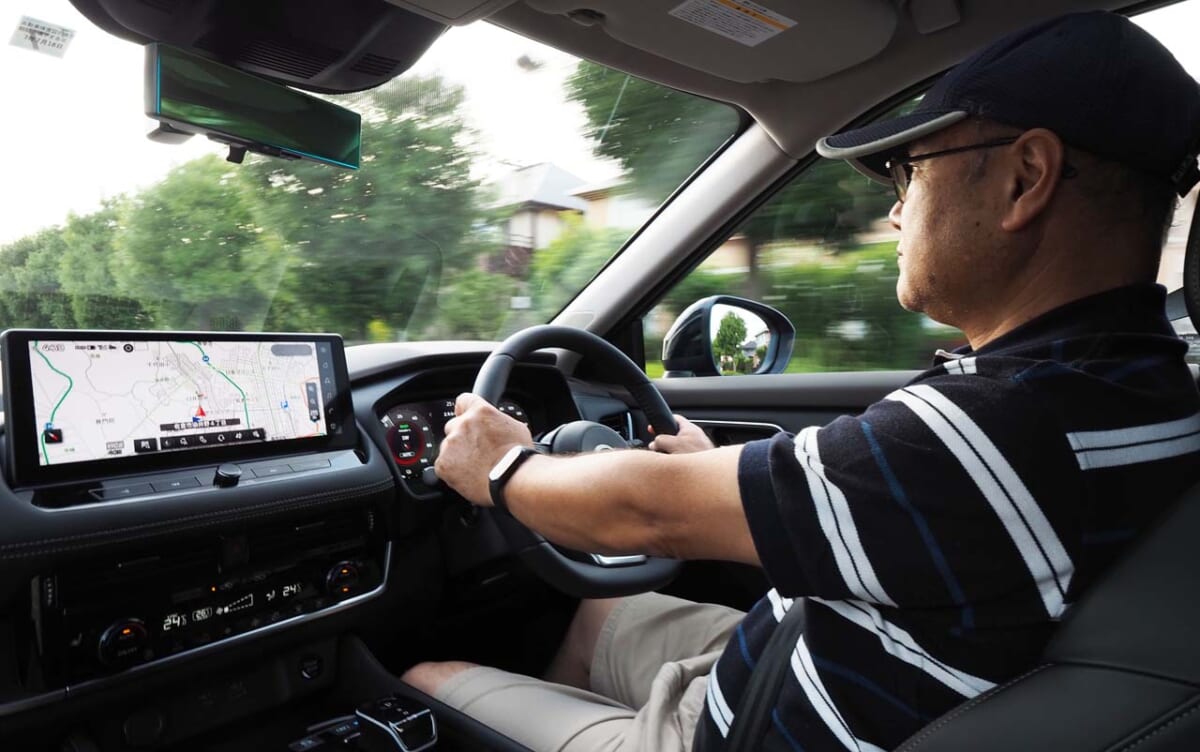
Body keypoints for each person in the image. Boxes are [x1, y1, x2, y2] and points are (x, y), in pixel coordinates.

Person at [405, 11, 1200, 752]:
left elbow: (645, 510)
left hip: (750, 730)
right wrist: (713, 477)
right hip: (820, 654)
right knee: (600, 609)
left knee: (424, 681)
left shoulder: (1001, 425)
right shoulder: (1141, 385)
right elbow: (920, 527)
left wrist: (502, 466)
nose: (897, 212)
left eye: (909, 172)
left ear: (1025, 178)